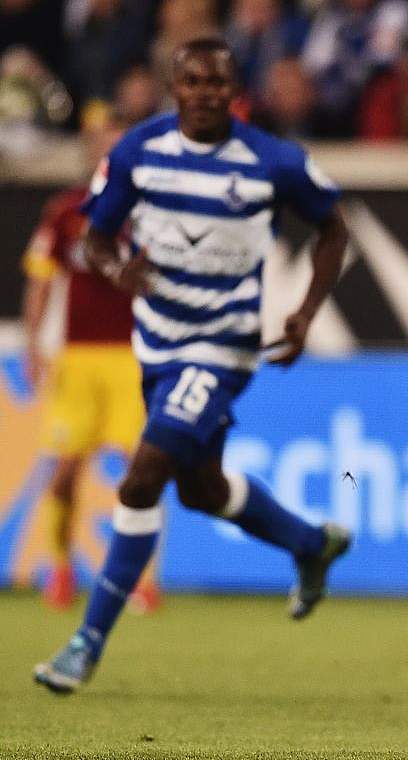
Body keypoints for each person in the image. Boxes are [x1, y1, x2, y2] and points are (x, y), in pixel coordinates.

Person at [33, 37, 353, 695]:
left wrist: (303, 313)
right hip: (155, 347)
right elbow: (94, 238)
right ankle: (309, 543)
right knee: (200, 486)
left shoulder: (273, 161)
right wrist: (119, 268)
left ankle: (86, 642)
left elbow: (334, 230)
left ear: (234, 92)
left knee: (143, 474)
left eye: (218, 83)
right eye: (193, 82)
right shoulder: (137, 153)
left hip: (224, 347)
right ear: (172, 88)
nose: (205, 93)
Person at [20, 120, 158, 613]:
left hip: (132, 355)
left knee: (140, 471)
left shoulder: (150, 211)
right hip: (77, 358)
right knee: (65, 471)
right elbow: (40, 280)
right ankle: (60, 567)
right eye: (104, 143)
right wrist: (32, 343)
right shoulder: (65, 212)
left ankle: (140, 579)